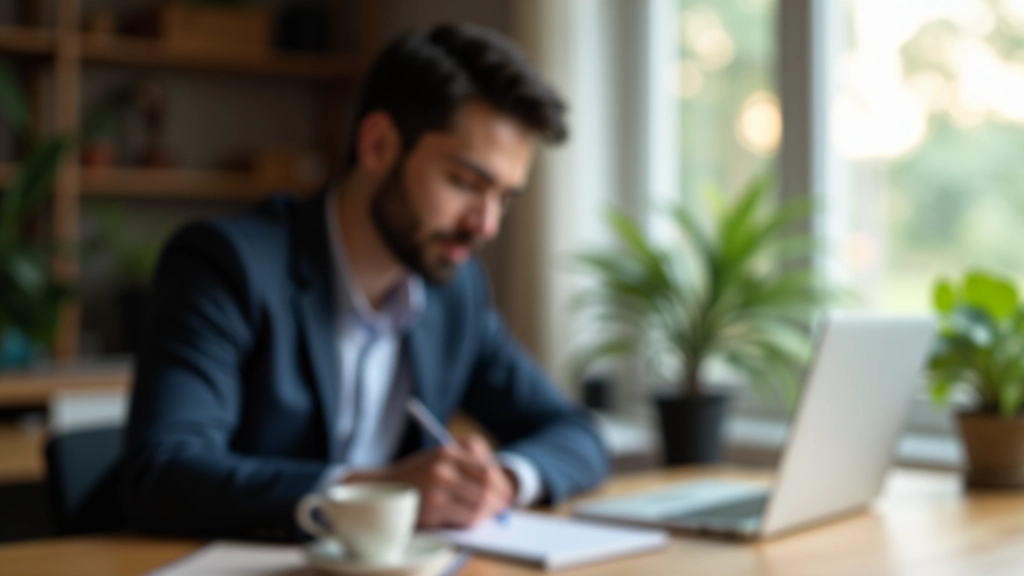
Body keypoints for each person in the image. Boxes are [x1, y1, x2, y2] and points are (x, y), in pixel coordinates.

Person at [123, 22, 609, 540]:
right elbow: (164, 473)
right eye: (466, 183)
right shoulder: (228, 266)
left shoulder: (455, 292)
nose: (486, 225)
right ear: (378, 146)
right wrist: (377, 493)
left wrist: (504, 482)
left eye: (505, 198)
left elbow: (575, 433)